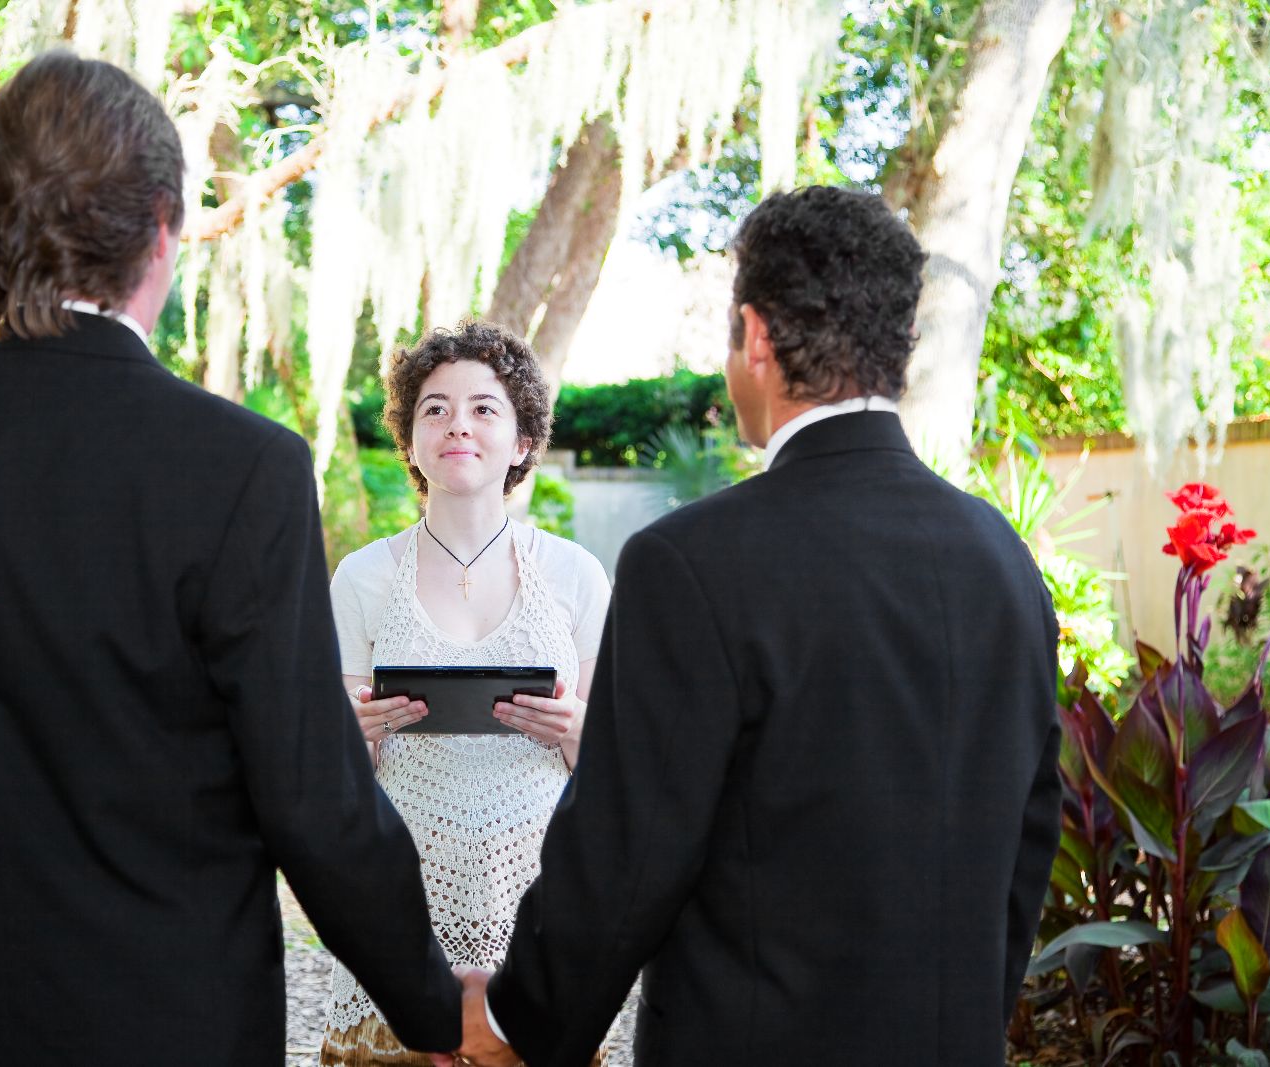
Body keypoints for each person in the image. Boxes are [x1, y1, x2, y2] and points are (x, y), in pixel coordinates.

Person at [0, 51, 458, 1065]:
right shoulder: (240, 467)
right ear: (163, 227)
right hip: (177, 1028)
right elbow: (313, 800)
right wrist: (435, 1007)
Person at [448, 186, 1062, 1066]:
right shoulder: (1003, 561)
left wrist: (515, 1019)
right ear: (899, 342)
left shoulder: (691, 563)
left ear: (757, 337)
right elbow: (1026, 843)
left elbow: (627, 851)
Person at [320, 322, 612, 1066]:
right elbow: (334, 777)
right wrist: (351, 736)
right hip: (401, 905)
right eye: (435, 408)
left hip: (539, 907)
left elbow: (617, 774)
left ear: (521, 441)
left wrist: (580, 729)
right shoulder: (360, 577)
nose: (458, 424)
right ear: (411, 441)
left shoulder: (578, 575)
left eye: (484, 408)